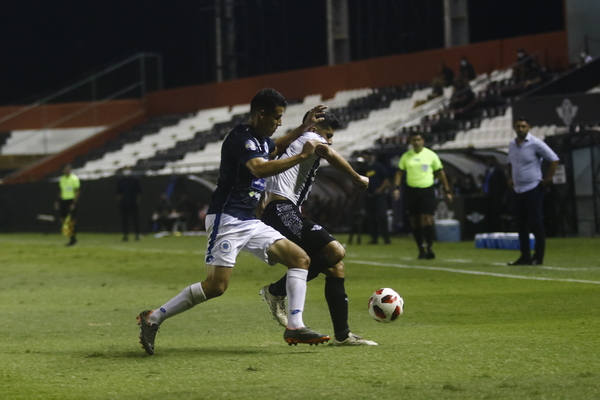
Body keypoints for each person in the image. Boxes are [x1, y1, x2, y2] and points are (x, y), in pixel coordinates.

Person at [137, 88, 330, 355]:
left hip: (249, 220)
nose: (279, 123)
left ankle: (295, 326)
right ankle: (152, 318)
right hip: (226, 219)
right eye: (276, 118)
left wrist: (303, 127)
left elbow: (276, 146)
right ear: (260, 114)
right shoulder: (240, 139)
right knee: (216, 287)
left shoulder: (261, 139)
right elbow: (260, 167)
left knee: (300, 259)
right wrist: (302, 156)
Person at [258, 110, 376, 346]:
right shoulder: (308, 139)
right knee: (335, 252)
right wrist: (356, 177)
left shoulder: (292, 141)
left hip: (282, 210)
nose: (329, 140)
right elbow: (326, 151)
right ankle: (275, 291)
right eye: (328, 134)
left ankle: (343, 336)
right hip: (281, 210)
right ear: (314, 129)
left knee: (335, 267)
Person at [507, 117, 559, 266]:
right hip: (518, 189)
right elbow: (510, 162)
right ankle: (525, 256)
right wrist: (509, 178)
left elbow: (554, 159)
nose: (521, 129)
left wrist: (548, 178)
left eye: (523, 126)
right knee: (520, 223)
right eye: (518, 126)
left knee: (536, 222)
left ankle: (538, 256)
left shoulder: (535, 143)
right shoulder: (512, 144)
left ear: (528, 127)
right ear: (514, 128)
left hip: (533, 187)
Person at [393, 132, 452, 259]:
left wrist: (447, 190)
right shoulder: (406, 156)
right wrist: (396, 188)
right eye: (414, 140)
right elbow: (399, 172)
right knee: (414, 220)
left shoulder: (431, 155)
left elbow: (441, 173)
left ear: (423, 141)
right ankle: (420, 248)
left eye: (418, 139)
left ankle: (429, 247)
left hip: (427, 190)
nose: (416, 142)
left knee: (427, 218)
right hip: (411, 190)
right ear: (410, 142)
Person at [360, 149, 391, 245]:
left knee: (382, 216)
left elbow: (386, 179)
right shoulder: (364, 168)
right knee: (371, 218)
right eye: (364, 154)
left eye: (367, 154)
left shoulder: (378, 166)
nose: (366, 157)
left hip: (379, 196)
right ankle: (374, 238)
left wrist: (380, 189)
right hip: (369, 196)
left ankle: (386, 238)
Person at [54, 164, 80, 246]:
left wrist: (74, 203)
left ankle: (73, 238)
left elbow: (77, 191)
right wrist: (57, 201)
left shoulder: (74, 178)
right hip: (63, 201)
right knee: (63, 220)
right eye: (66, 169)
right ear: (63, 171)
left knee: (71, 220)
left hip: (71, 201)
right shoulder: (62, 179)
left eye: (69, 169)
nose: (67, 171)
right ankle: (71, 236)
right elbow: (61, 191)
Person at [482, 156, 507, 232]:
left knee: (496, 214)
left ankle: (497, 230)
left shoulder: (499, 171)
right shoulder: (487, 171)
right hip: (487, 196)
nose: (488, 162)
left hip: (496, 197)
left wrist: (500, 196)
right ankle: (489, 229)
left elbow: (503, 184)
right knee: (488, 214)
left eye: (490, 160)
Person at [116, 166, 141, 241]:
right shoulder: (120, 181)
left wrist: (137, 201)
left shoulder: (135, 180)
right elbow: (118, 193)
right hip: (124, 203)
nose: (126, 171)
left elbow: (139, 192)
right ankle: (125, 235)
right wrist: (120, 201)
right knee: (124, 220)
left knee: (135, 219)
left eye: (127, 170)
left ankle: (137, 234)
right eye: (125, 170)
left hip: (133, 202)